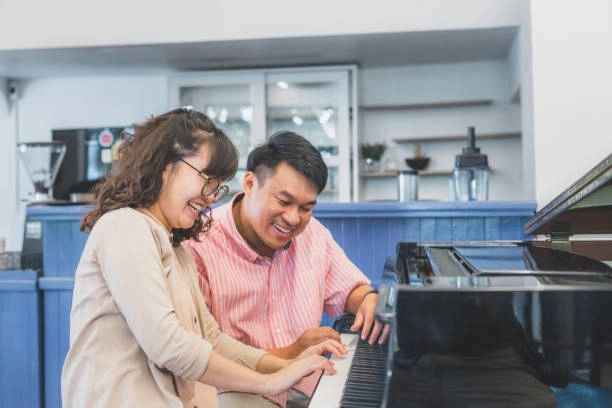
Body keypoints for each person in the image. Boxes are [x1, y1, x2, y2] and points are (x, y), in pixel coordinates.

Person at [60, 108, 345, 408]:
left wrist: (286, 367)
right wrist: (268, 383)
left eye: (217, 186)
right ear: (164, 165)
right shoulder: (125, 226)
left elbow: (211, 339)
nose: (211, 197)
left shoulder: (176, 249)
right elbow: (168, 345)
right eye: (207, 179)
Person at [184, 130, 391, 408]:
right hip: (237, 390)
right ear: (249, 183)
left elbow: (351, 288)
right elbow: (201, 356)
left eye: (306, 208)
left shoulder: (313, 235)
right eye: (283, 202)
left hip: (309, 384)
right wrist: (292, 353)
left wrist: (367, 299)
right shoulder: (199, 246)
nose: (293, 219)